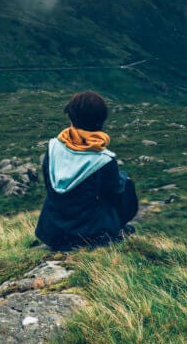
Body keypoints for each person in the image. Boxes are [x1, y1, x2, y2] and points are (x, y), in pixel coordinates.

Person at [35, 91, 138, 250]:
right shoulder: (103, 161)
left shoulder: (53, 148)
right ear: (101, 120)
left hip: (51, 232)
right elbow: (114, 192)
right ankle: (114, 231)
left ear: (71, 118)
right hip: (88, 236)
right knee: (126, 186)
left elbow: (50, 186)